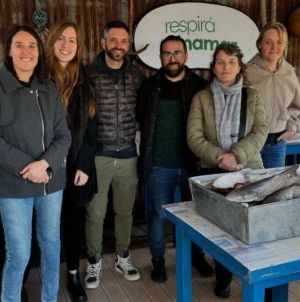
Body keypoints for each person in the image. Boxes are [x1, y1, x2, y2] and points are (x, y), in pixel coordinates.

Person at [0, 20, 98, 302]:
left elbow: (63, 136)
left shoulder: (48, 88)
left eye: (32, 46)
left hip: (50, 183)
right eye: (19, 45)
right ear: (9, 51)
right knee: (19, 253)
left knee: (52, 246)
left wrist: (45, 165)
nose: (26, 51)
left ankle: (49, 298)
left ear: (39, 53)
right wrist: (29, 168)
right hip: (12, 185)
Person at [187, 43, 268, 298]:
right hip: (214, 171)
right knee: (221, 229)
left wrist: (237, 154)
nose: (226, 67)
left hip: (249, 168)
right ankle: (223, 277)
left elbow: (261, 131)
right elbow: (194, 136)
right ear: (213, 67)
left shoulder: (252, 96)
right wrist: (222, 157)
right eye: (221, 62)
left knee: (254, 226)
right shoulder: (201, 97)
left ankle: (260, 278)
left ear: (239, 66)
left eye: (231, 62)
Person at [136, 35, 214, 283]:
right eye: (167, 53)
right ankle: (157, 259)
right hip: (159, 164)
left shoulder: (201, 87)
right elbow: (141, 123)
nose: (172, 58)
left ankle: (196, 255)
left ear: (186, 56)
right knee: (158, 214)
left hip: (193, 164)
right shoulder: (149, 87)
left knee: (196, 214)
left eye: (177, 53)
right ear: (160, 58)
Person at [83, 20, 147, 289]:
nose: (118, 45)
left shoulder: (137, 76)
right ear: (103, 42)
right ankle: (94, 262)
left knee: (124, 212)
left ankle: (123, 256)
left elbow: (145, 112)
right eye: (113, 40)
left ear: (127, 45)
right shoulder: (87, 74)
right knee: (95, 213)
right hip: (98, 155)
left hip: (128, 155)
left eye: (123, 41)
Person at [45, 20, 98, 302]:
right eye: (61, 39)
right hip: (46, 165)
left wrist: (84, 166)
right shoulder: (39, 76)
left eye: (73, 40)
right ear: (52, 42)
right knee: (46, 227)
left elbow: (92, 126)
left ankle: (74, 276)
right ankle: (47, 277)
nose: (66, 45)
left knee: (73, 223)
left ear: (78, 47)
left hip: (77, 164)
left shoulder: (83, 78)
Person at [247, 21, 300, 168]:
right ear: (260, 44)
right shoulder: (246, 72)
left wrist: (292, 128)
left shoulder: (289, 72)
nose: (274, 47)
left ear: (284, 46)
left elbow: (295, 105)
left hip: (277, 143)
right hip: (250, 142)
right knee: (250, 187)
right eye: (268, 42)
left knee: (274, 187)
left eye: (279, 42)